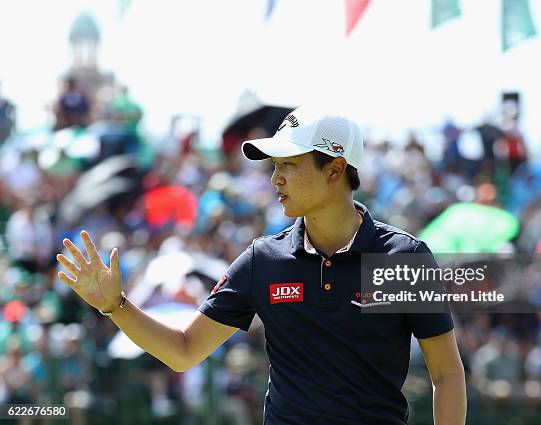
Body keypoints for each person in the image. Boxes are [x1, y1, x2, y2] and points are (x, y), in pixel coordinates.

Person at [57, 105, 467, 424]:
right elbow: (184, 351)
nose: (276, 178)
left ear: (336, 169)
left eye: (289, 164)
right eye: (275, 166)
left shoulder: (405, 258)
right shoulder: (262, 260)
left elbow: (446, 374)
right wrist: (116, 306)